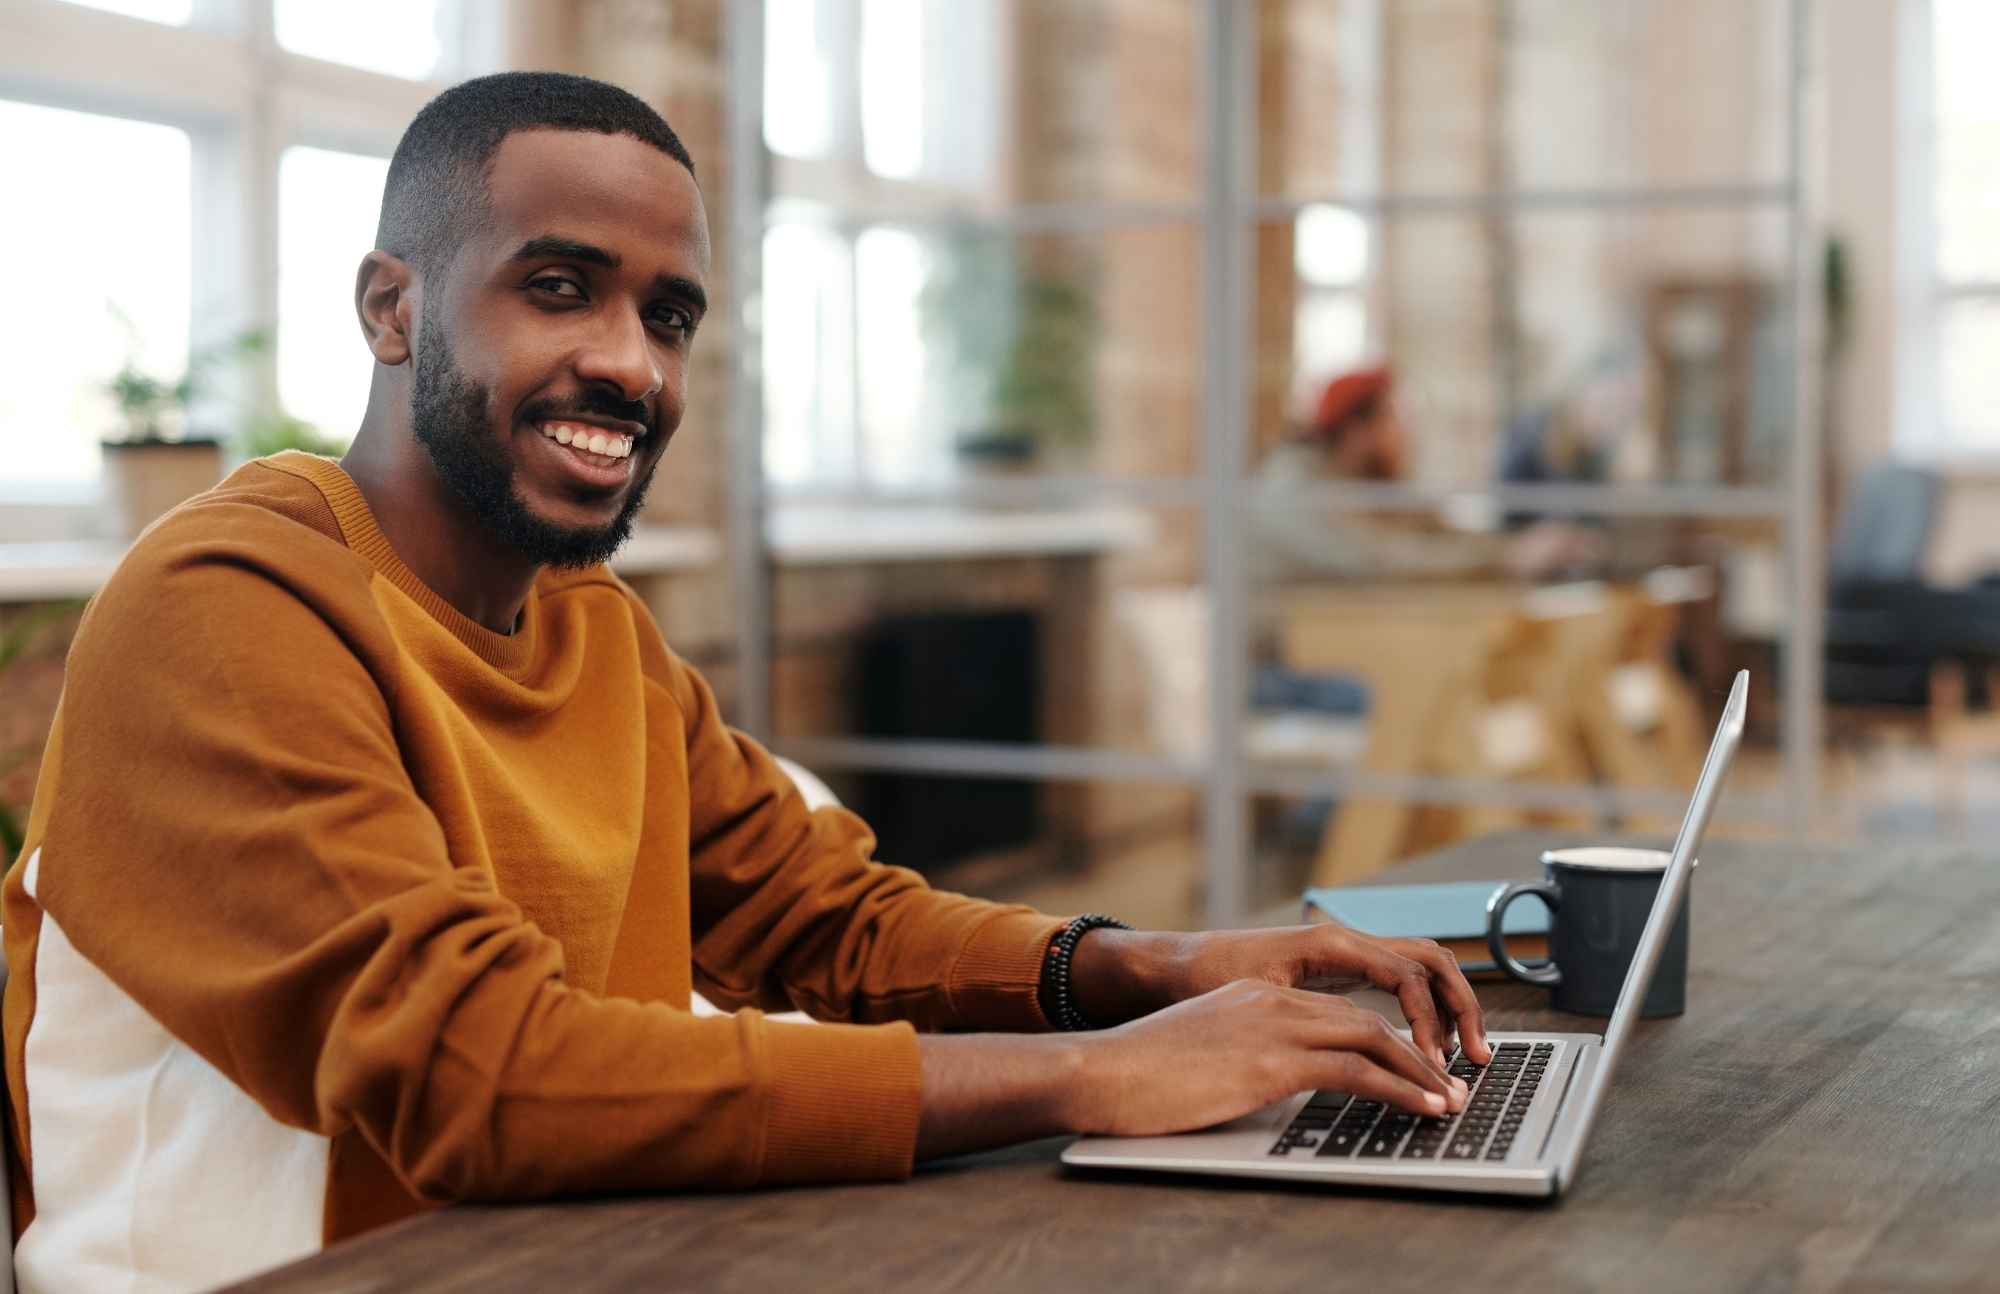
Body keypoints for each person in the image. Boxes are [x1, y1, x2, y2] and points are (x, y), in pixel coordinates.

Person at [1, 73, 1485, 1293]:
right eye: (561, 288)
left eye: (667, 316)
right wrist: (1094, 1075)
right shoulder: (224, 604)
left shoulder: (594, 629)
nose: (632, 366)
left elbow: (829, 917)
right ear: (392, 307)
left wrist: (1159, 969)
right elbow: (477, 1070)